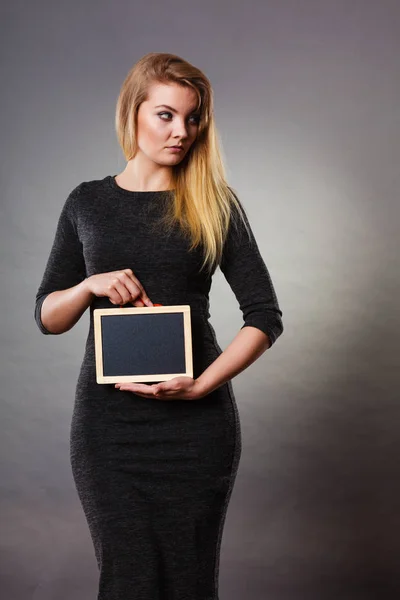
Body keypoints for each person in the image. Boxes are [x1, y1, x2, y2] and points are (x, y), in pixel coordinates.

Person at [34, 52, 284, 600]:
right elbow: (48, 317)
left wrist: (203, 384)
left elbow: (264, 315)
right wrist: (87, 287)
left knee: (190, 582)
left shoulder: (215, 204)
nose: (181, 131)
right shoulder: (88, 202)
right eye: (166, 115)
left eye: (193, 118)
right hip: (109, 430)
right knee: (128, 580)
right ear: (133, 113)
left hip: (197, 428)